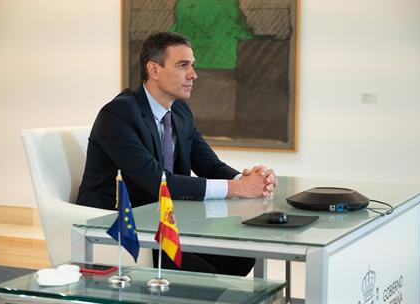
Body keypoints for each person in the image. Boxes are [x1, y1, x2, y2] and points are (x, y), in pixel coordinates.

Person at [77, 32, 278, 276]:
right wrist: (238, 189)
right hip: (121, 226)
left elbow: (209, 165)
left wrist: (248, 180)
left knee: (240, 259)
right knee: (207, 274)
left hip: (166, 222)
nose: (193, 74)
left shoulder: (180, 112)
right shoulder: (118, 114)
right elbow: (156, 181)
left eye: (192, 65)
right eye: (183, 66)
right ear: (154, 70)